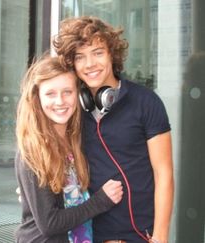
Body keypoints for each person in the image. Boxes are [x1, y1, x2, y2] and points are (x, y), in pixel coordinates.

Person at [53, 16, 174, 243]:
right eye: (80, 57)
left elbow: (164, 173)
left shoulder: (146, 102)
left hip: (140, 234)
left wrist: (161, 236)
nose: (90, 64)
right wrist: (34, 193)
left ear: (112, 54)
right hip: (87, 232)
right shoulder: (71, 109)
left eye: (98, 52)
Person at [15, 54, 123, 243]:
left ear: (79, 96)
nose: (60, 101)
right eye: (50, 94)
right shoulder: (33, 150)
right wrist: (101, 201)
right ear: (37, 98)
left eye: (67, 92)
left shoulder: (74, 140)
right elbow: (50, 223)